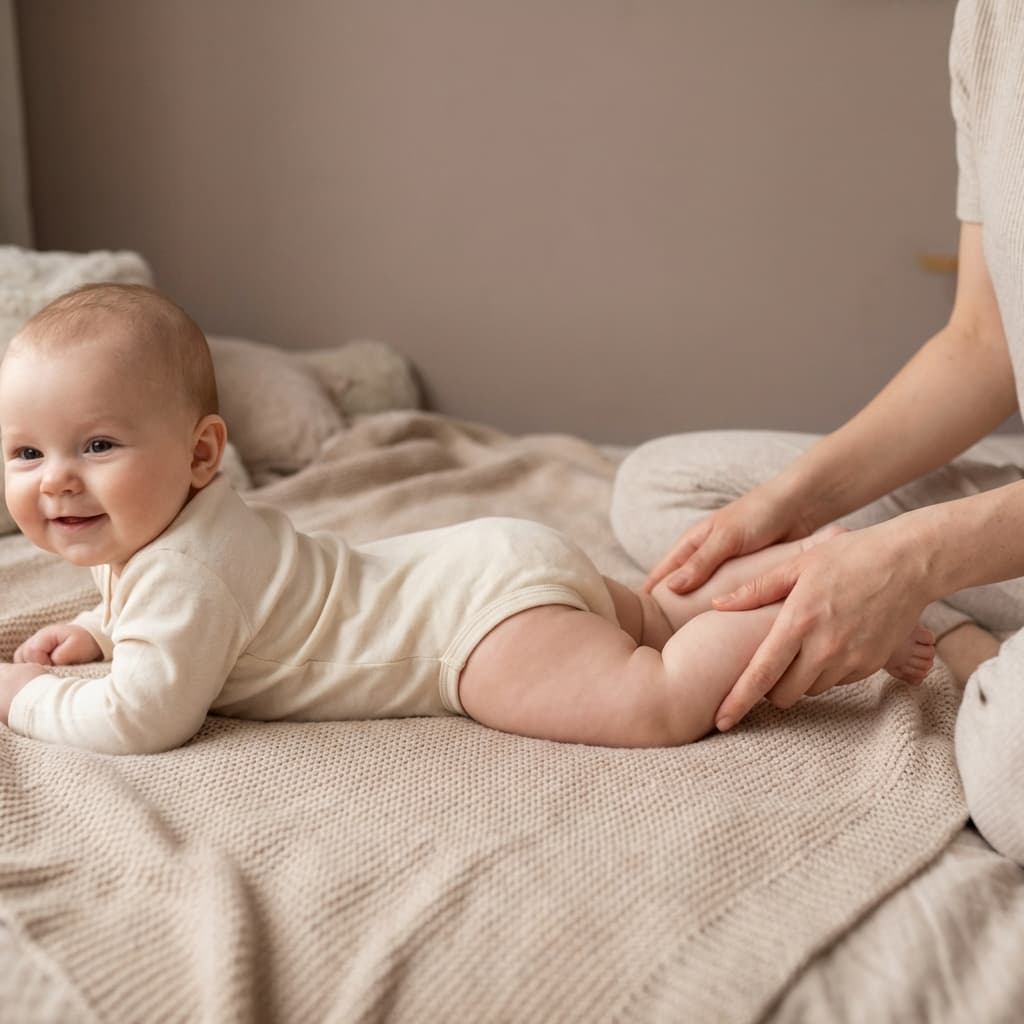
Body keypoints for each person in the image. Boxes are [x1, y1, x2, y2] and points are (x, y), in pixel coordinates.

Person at [0, 284, 934, 756]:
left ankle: (810, 605)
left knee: (655, 697)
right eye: (27, 455)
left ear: (204, 454)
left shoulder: (184, 572)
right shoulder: (169, 533)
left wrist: (24, 701)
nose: (57, 486)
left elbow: (145, 716)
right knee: (658, 620)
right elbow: (166, 617)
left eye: (97, 447)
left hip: (477, 635)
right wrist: (96, 626)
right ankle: (806, 564)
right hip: (484, 559)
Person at [611, 0, 1024, 863]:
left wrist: (913, 559)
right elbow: (984, 344)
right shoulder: (991, 22)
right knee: (668, 493)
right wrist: (792, 505)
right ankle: (961, 636)